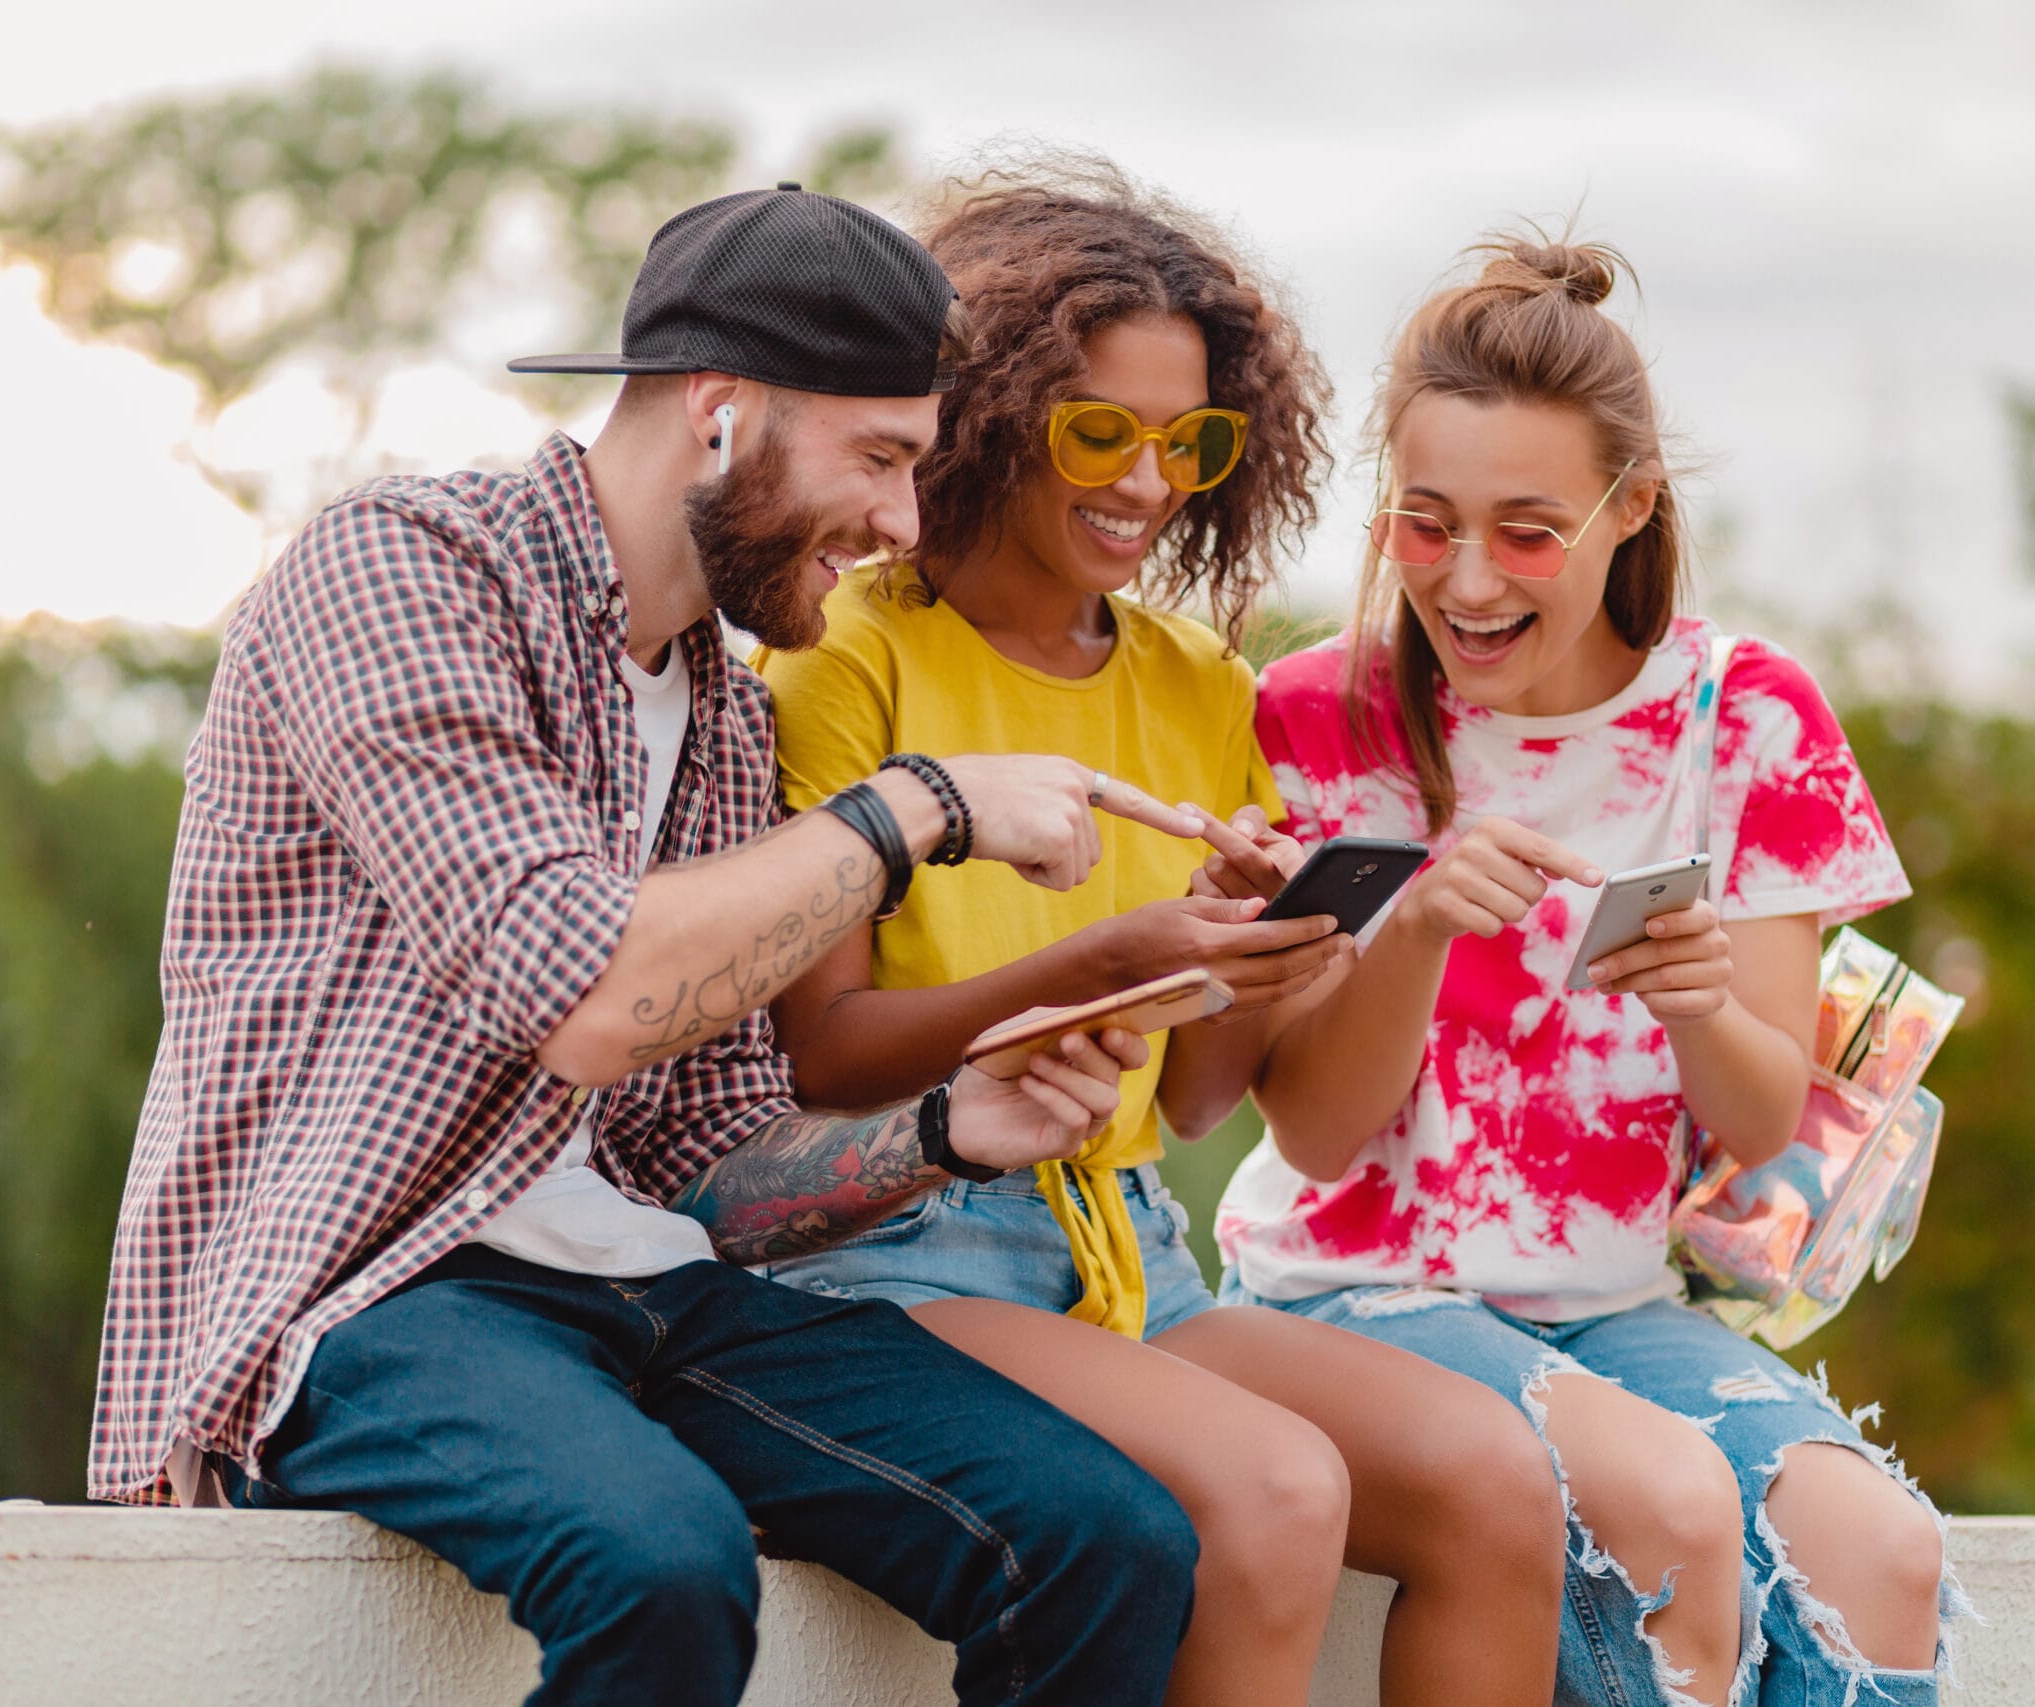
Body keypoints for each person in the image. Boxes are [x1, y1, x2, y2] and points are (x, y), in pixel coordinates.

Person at [87, 183, 1214, 1707]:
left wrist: (947, 1131)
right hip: (370, 1291)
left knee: (1104, 1538)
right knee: (660, 1562)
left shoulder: (725, 713)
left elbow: (707, 1153)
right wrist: (920, 807)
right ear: (721, 411)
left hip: (644, 1283)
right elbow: (586, 993)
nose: (902, 522)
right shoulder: (399, 572)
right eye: (882, 459)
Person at [752, 165, 1565, 1707]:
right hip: (893, 1248)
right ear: (987, 414)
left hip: (1125, 1248)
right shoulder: (846, 658)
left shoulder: (1199, 684)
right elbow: (823, 1056)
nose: (1148, 481)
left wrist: (1263, 957)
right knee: (1277, 1493)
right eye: (1099, 433)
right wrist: (1107, 958)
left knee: (1496, 1477)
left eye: (1188, 442)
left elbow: (1193, 1100)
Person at [1208, 234, 1967, 1707]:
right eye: (1426, 526)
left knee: (1881, 1551)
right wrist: (1416, 932)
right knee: (1669, 1507)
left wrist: (1700, 1005)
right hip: (1354, 1290)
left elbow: (1762, 1124)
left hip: (1614, 1304)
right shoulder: (1316, 718)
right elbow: (1312, 1138)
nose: (1469, 581)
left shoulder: (1747, 718)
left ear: (1632, 508)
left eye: (1528, 534)